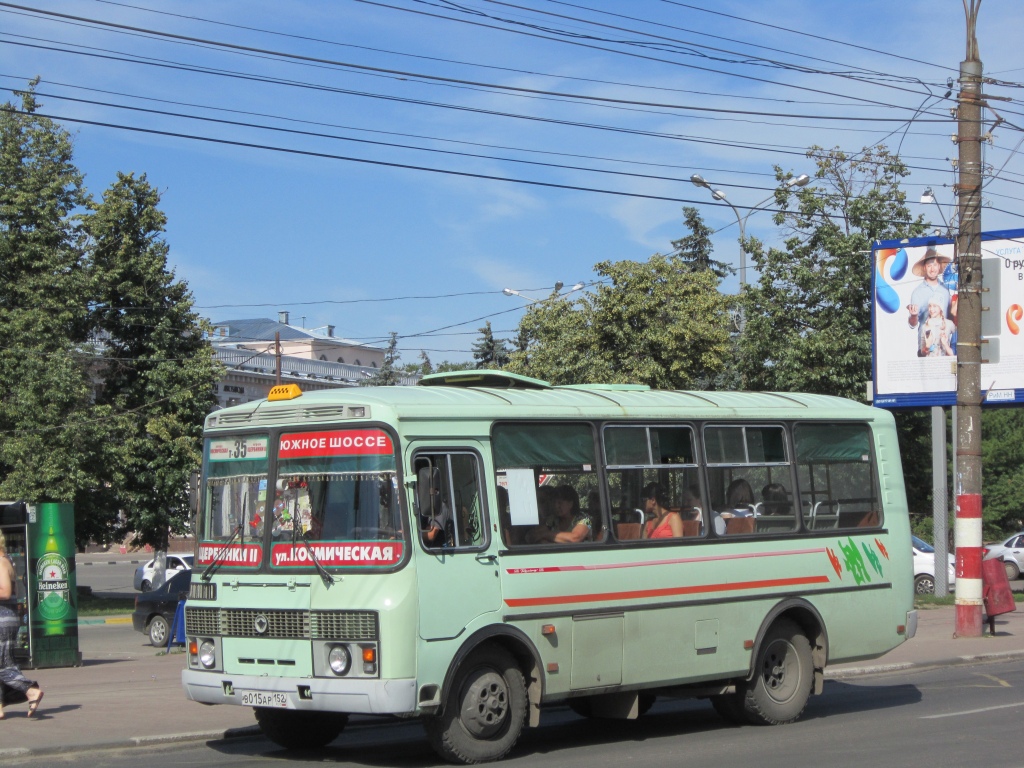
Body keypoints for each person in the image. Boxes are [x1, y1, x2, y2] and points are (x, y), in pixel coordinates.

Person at [0, 531, 44, 719]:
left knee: (3, 665)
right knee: (3, 662)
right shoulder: (6, 559)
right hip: (6, 618)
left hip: (2, 619)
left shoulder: (0, 562)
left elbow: (5, 592)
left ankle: (30, 690)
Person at [906, 248, 954, 331]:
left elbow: (950, 318)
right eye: (929, 266)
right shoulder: (917, 292)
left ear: (939, 266)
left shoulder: (945, 290)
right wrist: (913, 316)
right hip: (925, 340)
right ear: (924, 268)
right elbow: (912, 324)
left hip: (943, 341)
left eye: (935, 265)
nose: (932, 269)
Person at [527, 485, 593, 543]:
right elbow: (533, 536)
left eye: (560, 503)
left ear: (570, 503)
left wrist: (545, 534)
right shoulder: (552, 520)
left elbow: (575, 538)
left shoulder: (587, 520)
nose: (556, 506)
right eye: (554, 502)